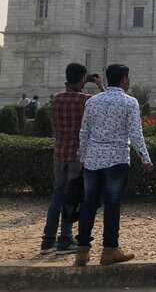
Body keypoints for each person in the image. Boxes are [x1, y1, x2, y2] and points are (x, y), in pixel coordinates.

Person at [75, 64, 153, 266]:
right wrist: (145, 158)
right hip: (117, 160)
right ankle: (110, 250)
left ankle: (82, 251)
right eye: (128, 78)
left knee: (88, 204)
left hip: (93, 160)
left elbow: (84, 131)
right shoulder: (130, 102)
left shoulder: (93, 101)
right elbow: (136, 133)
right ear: (124, 79)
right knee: (112, 205)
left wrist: (82, 155)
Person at [39, 64, 102, 255]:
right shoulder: (87, 100)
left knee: (57, 196)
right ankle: (65, 240)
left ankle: (47, 241)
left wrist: (83, 82)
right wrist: (99, 84)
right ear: (82, 79)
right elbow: (109, 102)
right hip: (77, 156)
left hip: (60, 154)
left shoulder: (57, 99)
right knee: (71, 197)